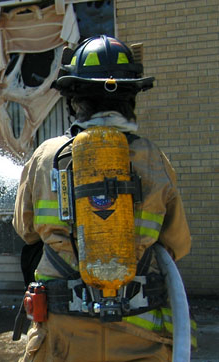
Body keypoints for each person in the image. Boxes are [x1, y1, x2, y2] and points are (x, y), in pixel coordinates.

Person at [12, 35, 192, 361]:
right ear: (131, 97)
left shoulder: (45, 157)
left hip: (62, 340)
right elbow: (177, 245)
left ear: (73, 100)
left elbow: (25, 231)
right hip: (142, 339)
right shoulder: (153, 158)